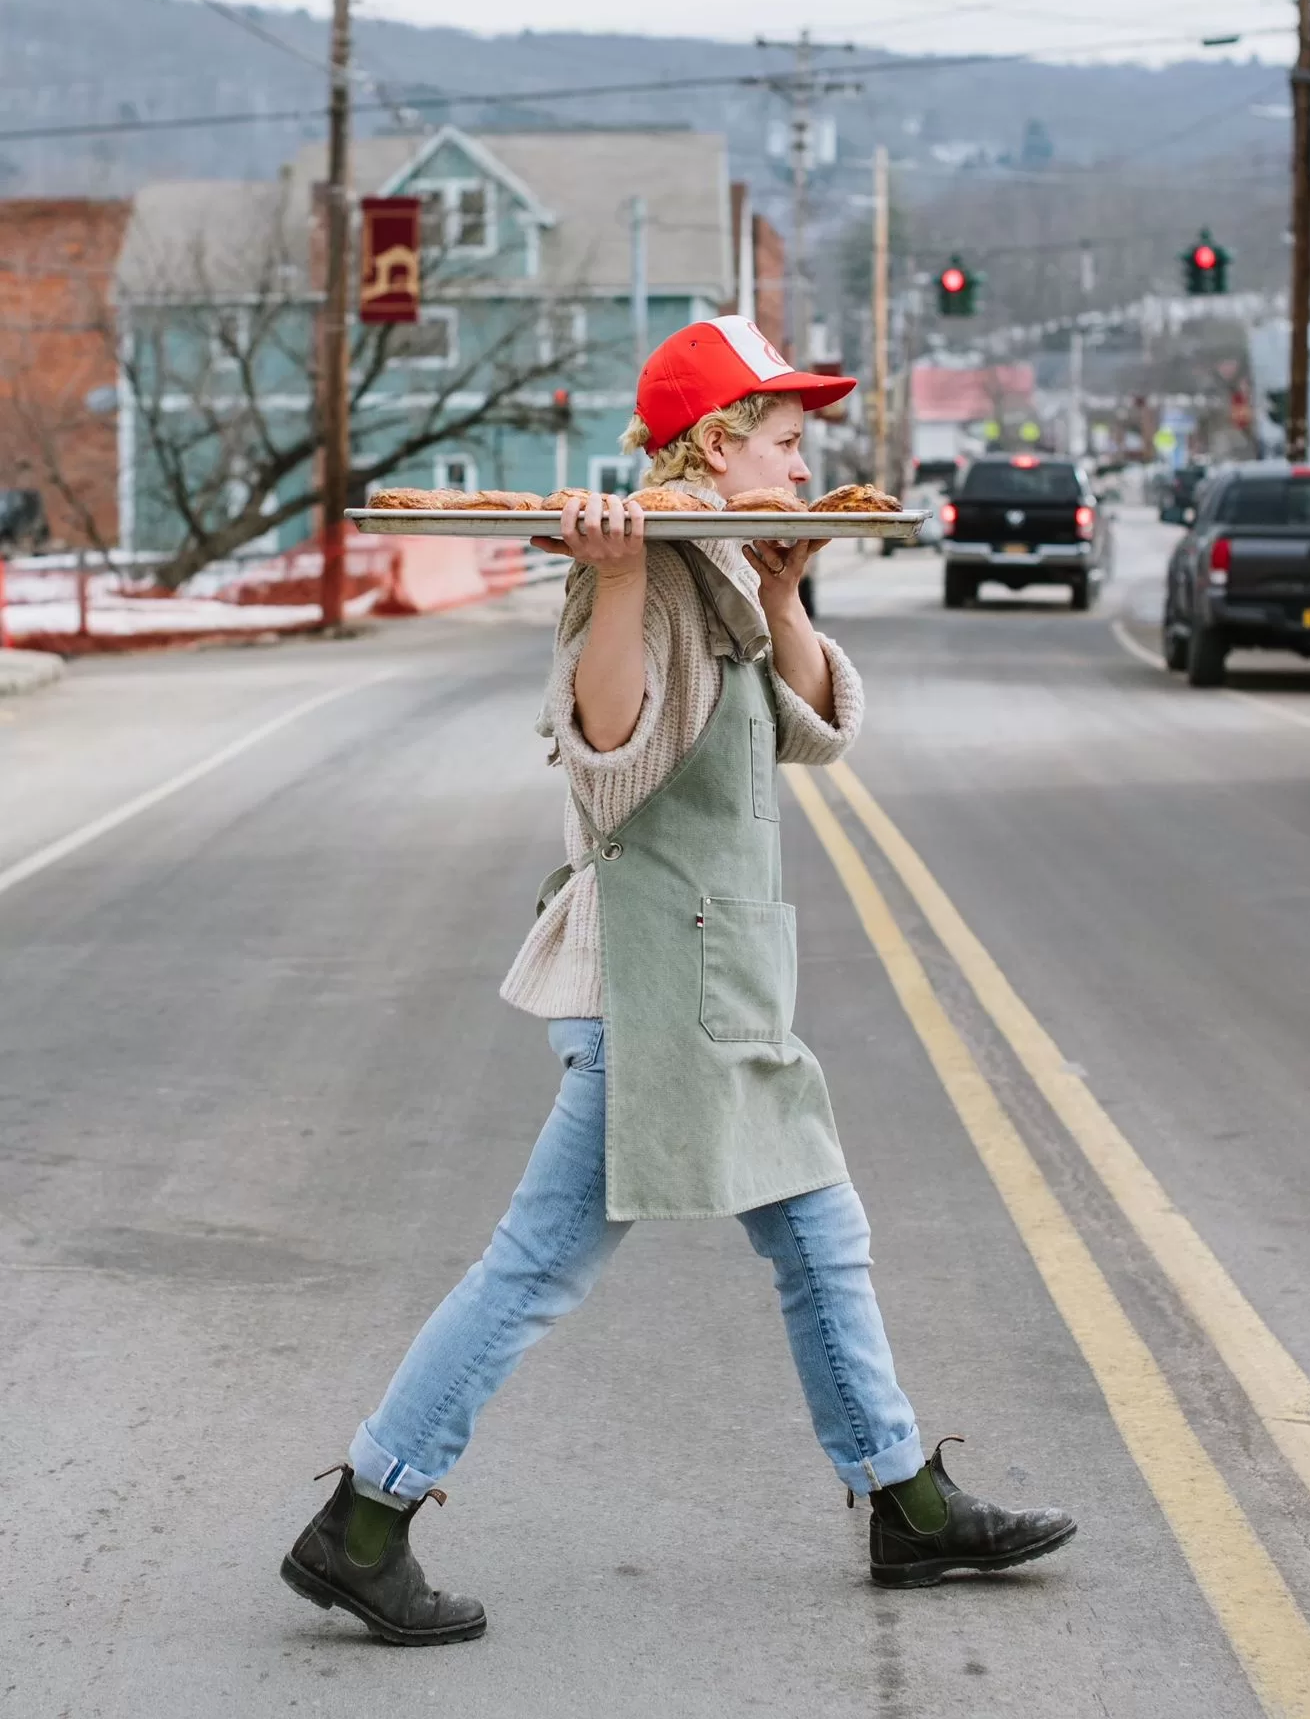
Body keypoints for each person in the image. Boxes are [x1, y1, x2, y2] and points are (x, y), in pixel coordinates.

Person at [281, 317, 1075, 1646]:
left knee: (823, 1245)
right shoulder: (634, 563)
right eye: (784, 438)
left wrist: (781, 584)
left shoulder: (724, 564)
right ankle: (365, 1518)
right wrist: (629, 583)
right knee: (533, 1272)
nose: (803, 457)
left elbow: (815, 736)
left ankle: (902, 1502)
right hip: (655, 987)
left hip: (730, 988)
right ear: (716, 441)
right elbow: (606, 760)